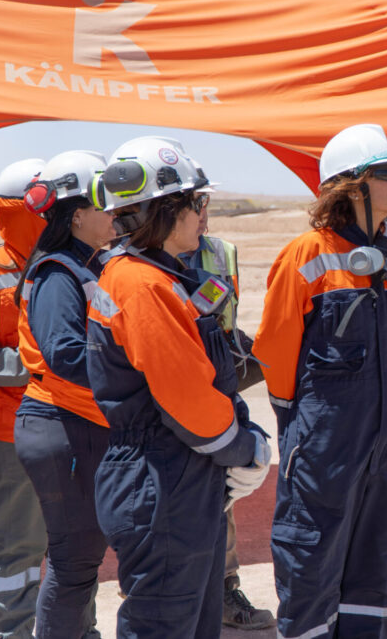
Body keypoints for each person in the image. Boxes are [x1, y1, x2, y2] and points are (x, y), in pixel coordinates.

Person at [87, 136, 271, 639]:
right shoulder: (143, 285)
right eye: (197, 200)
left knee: (193, 620)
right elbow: (186, 397)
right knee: (165, 624)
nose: (203, 213)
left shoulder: (159, 276)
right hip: (161, 478)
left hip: (177, 472)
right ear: (166, 210)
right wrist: (244, 449)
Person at [253, 124, 387, 638]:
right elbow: (274, 355)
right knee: (311, 564)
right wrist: (305, 430)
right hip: (326, 448)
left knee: (373, 569)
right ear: (352, 186)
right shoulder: (308, 254)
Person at [13, 151, 115, 639]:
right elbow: (65, 354)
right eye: (104, 205)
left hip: (79, 424)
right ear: (76, 216)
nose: (115, 213)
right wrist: (135, 370)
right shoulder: (58, 273)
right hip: (62, 426)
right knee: (74, 560)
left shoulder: (90, 264)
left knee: (82, 557)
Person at [180, 187, 275, 630]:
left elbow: (228, 319)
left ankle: (223, 589)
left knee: (222, 495)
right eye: (193, 204)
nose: (202, 213)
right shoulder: (133, 256)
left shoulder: (221, 253)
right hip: (166, 389)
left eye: (205, 203)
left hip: (217, 389)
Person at [0, 158, 47, 638]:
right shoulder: (0, 271)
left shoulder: (67, 264)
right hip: (9, 431)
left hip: (61, 422)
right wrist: (37, 365)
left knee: (67, 543)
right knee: (18, 545)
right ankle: (12, 630)